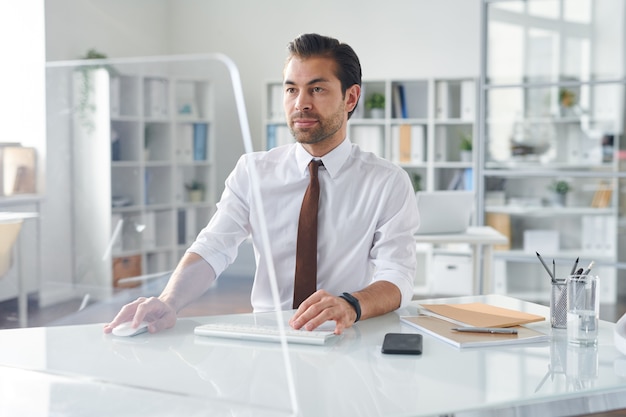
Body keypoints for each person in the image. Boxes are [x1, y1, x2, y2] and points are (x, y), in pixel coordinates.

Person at [104, 33, 419, 336]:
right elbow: (214, 246)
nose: (300, 104)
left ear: (350, 97)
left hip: (346, 334)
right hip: (269, 339)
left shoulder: (386, 182)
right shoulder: (252, 171)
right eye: (291, 89)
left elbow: (397, 277)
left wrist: (350, 304)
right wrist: (167, 301)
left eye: (317, 89)